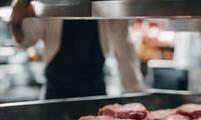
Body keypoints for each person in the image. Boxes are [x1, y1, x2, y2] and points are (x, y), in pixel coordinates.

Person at [10, 0, 144, 99]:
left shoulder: (111, 4)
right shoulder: (53, 3)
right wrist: (17, 20)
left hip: (95, 93)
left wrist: (136, 94)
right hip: (55, 94)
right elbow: (27, 40)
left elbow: (124, 51)